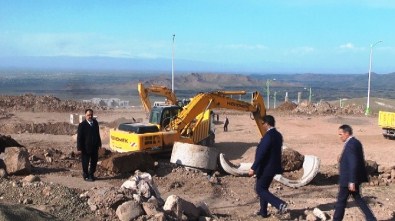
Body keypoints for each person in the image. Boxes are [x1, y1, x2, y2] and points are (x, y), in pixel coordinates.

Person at [333, 124, 376, 221]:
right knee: (358, 199)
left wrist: (351, 181)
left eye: (341, 134)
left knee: (341, 202)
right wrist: (342, 158)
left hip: (348, 179)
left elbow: (353, 163)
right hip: (353, 179)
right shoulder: (355, 142)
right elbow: (352, 159)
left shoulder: (351, 144)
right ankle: (371, 218)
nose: (339, 137)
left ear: (347, 133)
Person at [248, 115, 287, 218]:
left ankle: (279, 204)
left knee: (260, 189)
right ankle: (263, 212)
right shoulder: (278, 135)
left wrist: (253, 168)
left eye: (262, 124)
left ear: (267, 123)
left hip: (266, 167)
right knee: (263, 188)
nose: (262, 126)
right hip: (274, 167)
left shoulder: (268, 136)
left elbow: (262, 153)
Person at [77, 108, 102, 182]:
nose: (90, 116)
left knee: (94, 161)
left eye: (91, 115)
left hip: (94, 147)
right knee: (85, 162)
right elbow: (79, 137)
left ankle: (91, 174)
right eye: (88, 115)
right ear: (85, 115)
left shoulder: (95, 123)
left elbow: (98, 134)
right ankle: (85, 175)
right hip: (86, 148)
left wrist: (99, 143)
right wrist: (79, 147)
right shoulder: (82, 125)